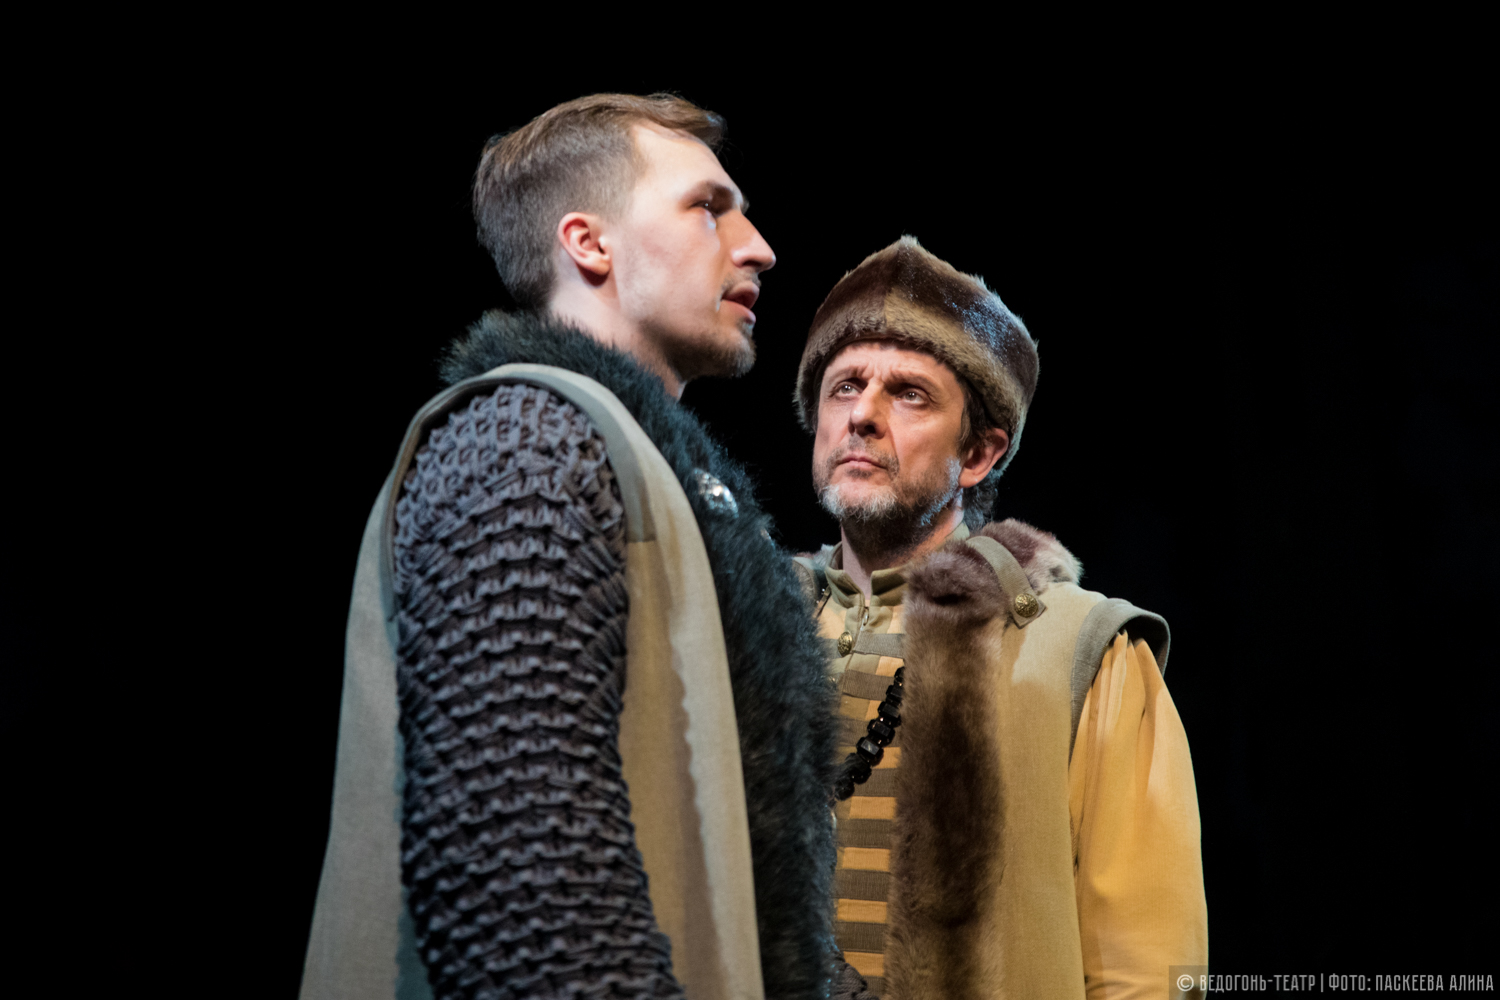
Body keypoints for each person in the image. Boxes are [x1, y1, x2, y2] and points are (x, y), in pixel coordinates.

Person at [302, 93, 840, 1000]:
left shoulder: (661, 485)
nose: (758, 247)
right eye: (708, 208)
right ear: (590, 244)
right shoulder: (524, 442)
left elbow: (750, 887)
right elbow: (519, 881)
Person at [792, 237, 1209, 1000]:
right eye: (843, 386)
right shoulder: (745, 622)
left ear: (980, 454)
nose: (863, 415)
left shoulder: (1081, 649)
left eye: (909, 394)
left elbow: (1149, 973)